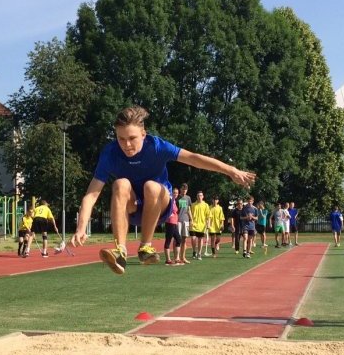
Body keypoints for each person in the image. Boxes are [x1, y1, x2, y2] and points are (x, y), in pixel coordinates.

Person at [71, 106, 255, 274]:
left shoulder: (157, 147)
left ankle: (146, 246)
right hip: (133, 208)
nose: (126, 145)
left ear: (143, 134)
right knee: (120, 184)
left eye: (132, 138)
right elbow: (91, 195)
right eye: (121, 139)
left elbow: (194, 158)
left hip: (159, 206)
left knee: (151, 186)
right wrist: (80, 228)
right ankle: (120, 251)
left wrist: (230, 170)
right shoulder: (110, 153)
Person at [163, 186, 182, 265]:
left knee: (178, 240)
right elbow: (164, 209)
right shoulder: (169, 200)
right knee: (168, 240)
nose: (175, 194)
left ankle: (177, 258)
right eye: (174, 193)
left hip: (174, 223)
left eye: (177, 193)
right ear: (171, 193)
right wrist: (168, 215)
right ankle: (168, 260)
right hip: (170, 223)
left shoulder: (174, 201)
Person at [190, 191, 211, 260]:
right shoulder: (193, 205)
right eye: (198, 195)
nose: (199, 197)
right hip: (193, 225)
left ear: (203, 196)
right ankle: (194, 251)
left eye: (201, 195)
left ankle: (199, 253)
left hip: (202, 226)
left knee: (200, 239)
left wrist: (208, 224)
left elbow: (208, 216)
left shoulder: (206, 205)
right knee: (193, 238)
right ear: (196, 197)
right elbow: (190, 214)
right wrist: (190, 221)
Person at [177, 183, 192, 253]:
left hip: (186, 220)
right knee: (177, 238)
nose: (184, 190)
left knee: (184, 239)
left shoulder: (188, 198)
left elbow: (189, 209)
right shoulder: (177, 197)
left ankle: (183, 256)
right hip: (178, 220)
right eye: (183, 189)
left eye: (185, 189)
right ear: (180, 189)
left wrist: (191, 219)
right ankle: (177, 256)